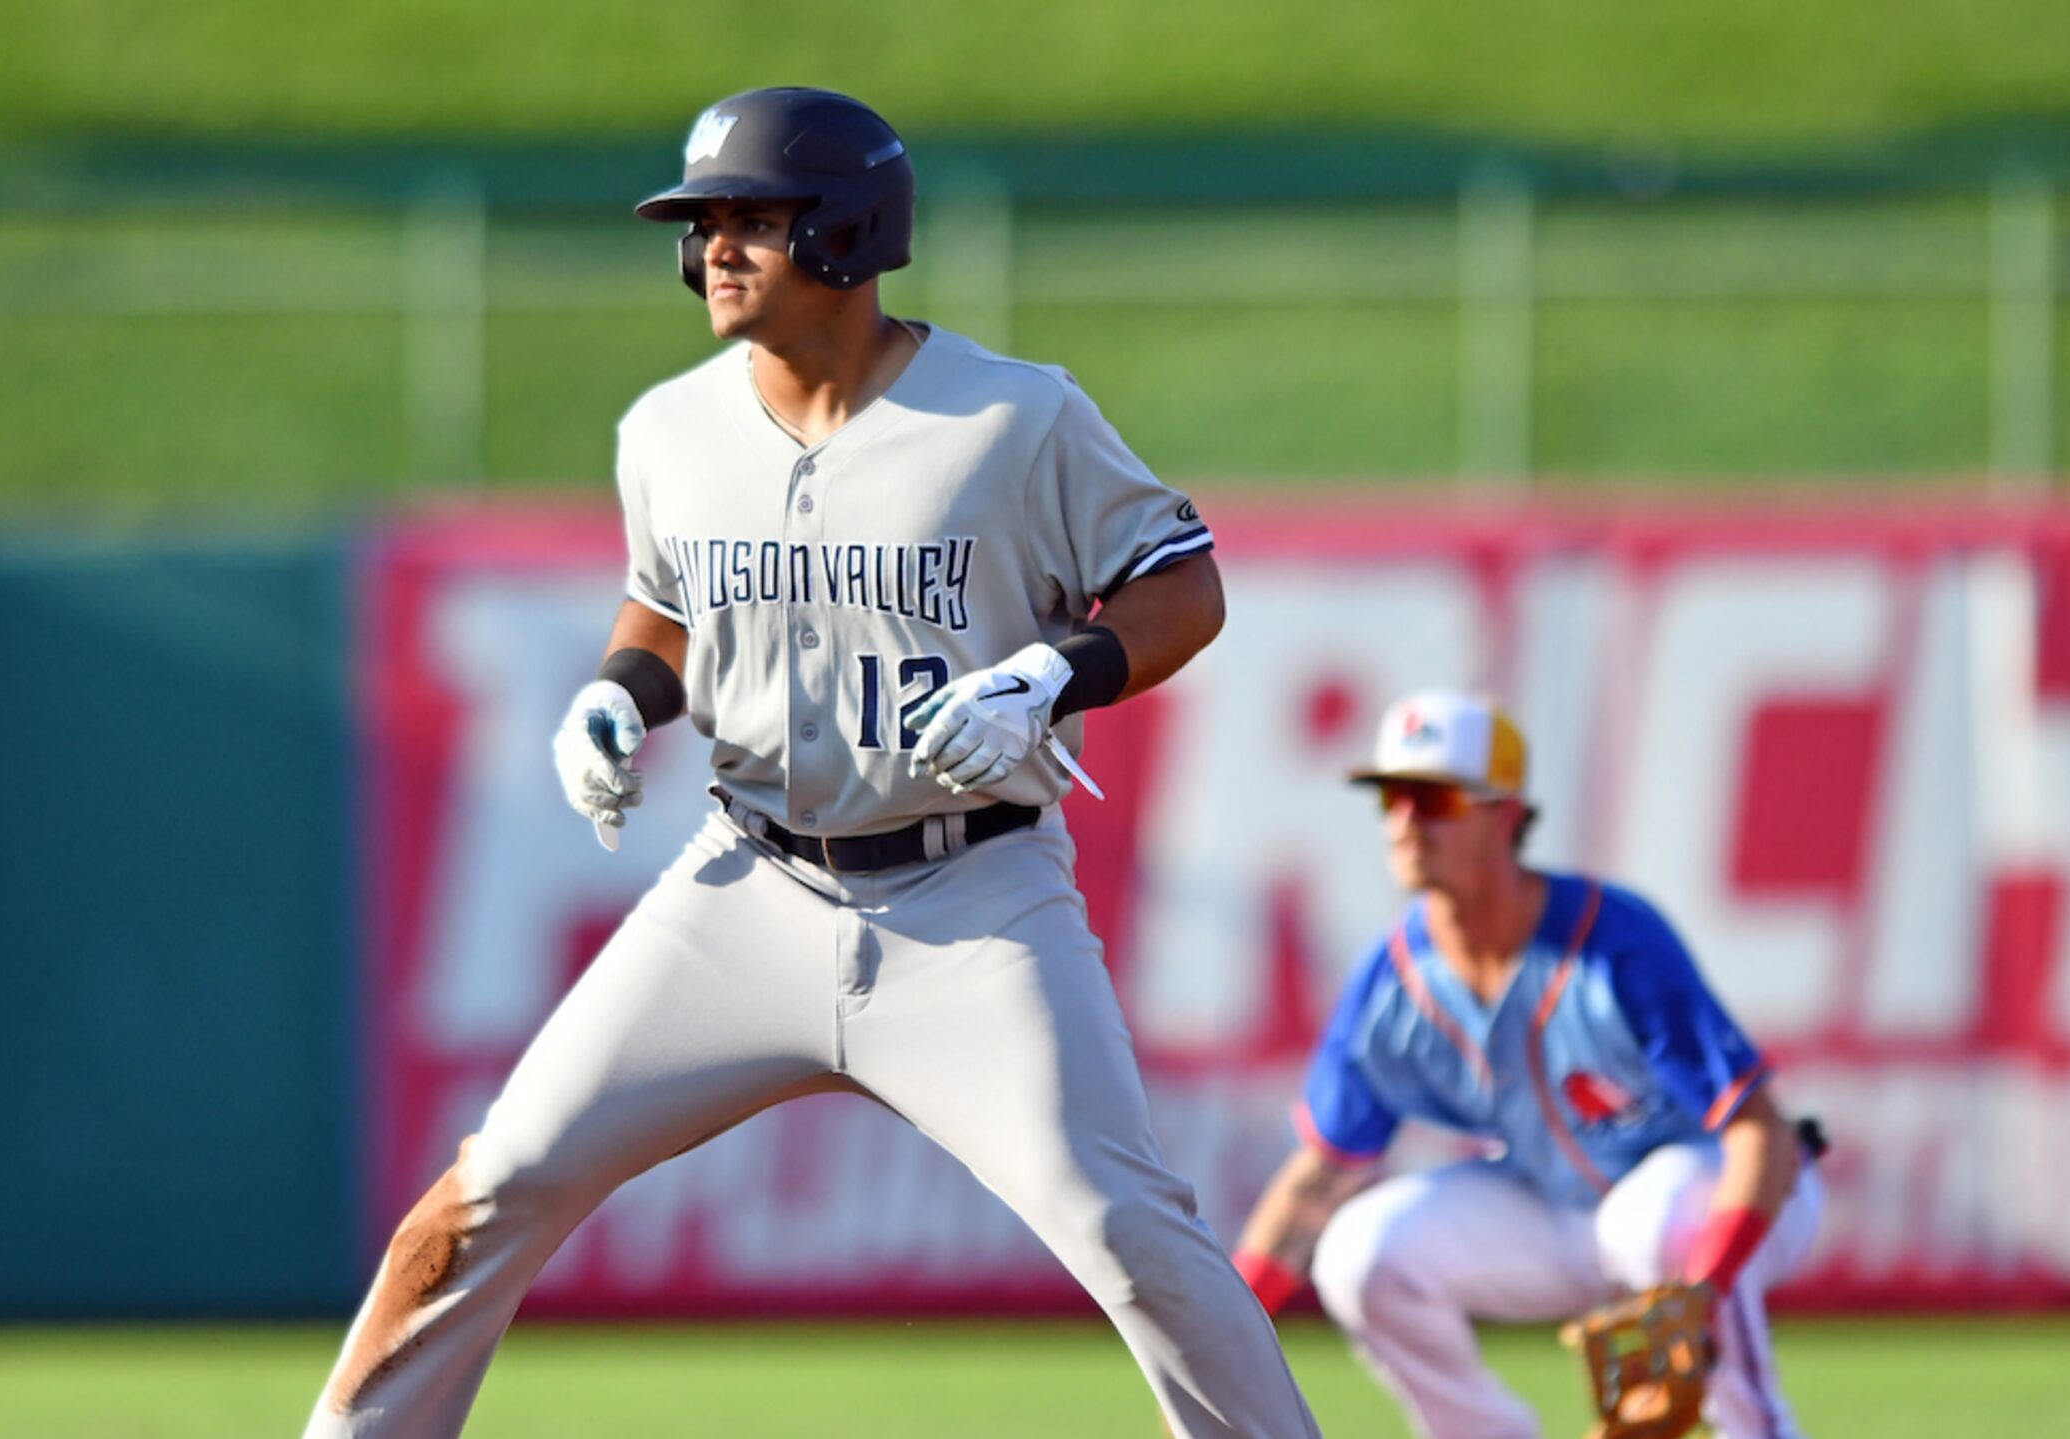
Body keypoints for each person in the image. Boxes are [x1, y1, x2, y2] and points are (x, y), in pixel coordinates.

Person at [303, 87, 1324, 1439]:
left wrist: (1048, 672)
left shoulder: (1012, 418)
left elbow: (1181, 586)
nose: (714, 248)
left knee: (1128, 1226)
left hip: (974, 899)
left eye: (749, 219)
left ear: (848, 228)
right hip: (748, 883)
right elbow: (667, 606)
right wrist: (616, 693)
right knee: (492, 1187)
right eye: (702, 222)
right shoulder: (669, 429)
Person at [1228, 689, 1825, 1439]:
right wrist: (1211, 1346)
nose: (1406, 820)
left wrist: (1703, 1285)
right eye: (1390, 797)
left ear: (1505, 815)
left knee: (1652, 1220)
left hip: (1728, 1200)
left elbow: (1760, 1132)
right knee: (1358, 1251)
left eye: (1434, 796)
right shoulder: (1391, 981)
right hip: (1559, 1211)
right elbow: (1317, 1180)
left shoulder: (1614, 944)